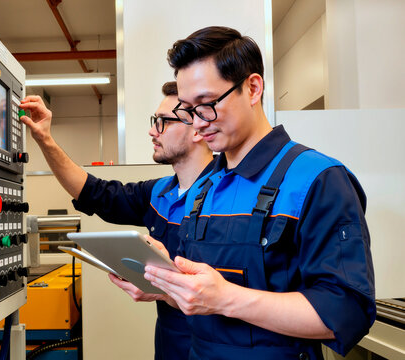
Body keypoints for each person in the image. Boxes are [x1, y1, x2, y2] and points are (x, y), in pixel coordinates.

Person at [141, 27, 376, 360]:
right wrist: (164, 287)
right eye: (189, 110)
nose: (197, 123)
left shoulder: (317, 180)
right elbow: (205, 295)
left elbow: (345, 312)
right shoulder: (205, 186)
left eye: (206, 105)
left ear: (252, 87)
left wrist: (226, 297)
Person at [19, 82, 215, 360]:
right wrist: (44, 139)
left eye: (163, 122)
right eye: (153, 121)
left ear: (197, 129)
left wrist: (163, 289)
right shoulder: (159, 193)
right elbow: (94, 193)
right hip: (171, 348)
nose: (152, 130)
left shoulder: (229, 197)